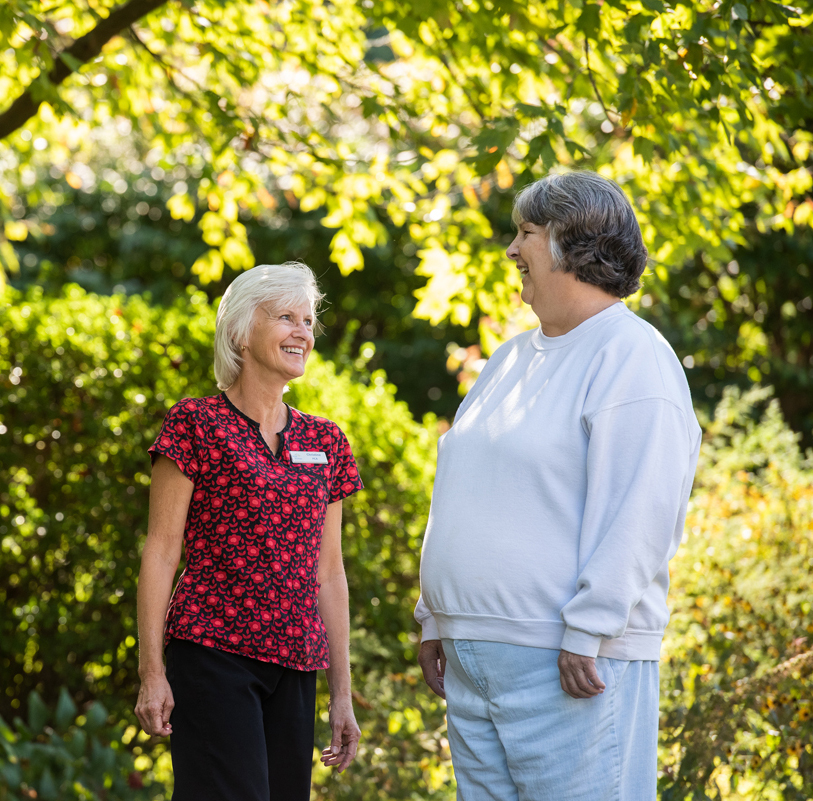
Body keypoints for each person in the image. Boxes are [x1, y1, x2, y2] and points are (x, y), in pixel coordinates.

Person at [415, 171, 702, 800]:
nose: (511, 250)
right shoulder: (509, 359)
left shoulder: (632, 356)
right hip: (474, 663)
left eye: (526, 233)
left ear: (573, 244)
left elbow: (642, 510)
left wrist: (590, 628)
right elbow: (461, 488)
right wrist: (434, 615)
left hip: (571, 663)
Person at [135, 262, 364, 801]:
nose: (303, 332)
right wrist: (151, 671)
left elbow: (329, 574)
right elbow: (162, 552)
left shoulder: (325, 440)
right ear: (241, 330)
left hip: (296, 661)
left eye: (308, 321)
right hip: (213, 650)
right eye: (286, 317)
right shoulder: (195, 424)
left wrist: (342, 695)